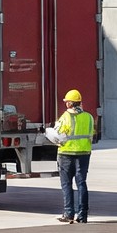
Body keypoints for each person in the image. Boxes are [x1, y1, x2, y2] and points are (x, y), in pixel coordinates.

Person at [47, 89, 98, 224]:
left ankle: (68, 213)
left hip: (66, 154)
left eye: (66, 102)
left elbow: (57, 134)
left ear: (70, 103)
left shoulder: (65, 117)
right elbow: (92, 133)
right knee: (81, 183)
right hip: (84, 153)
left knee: (66, 184)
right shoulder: (89, 117)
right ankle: (83, 215)